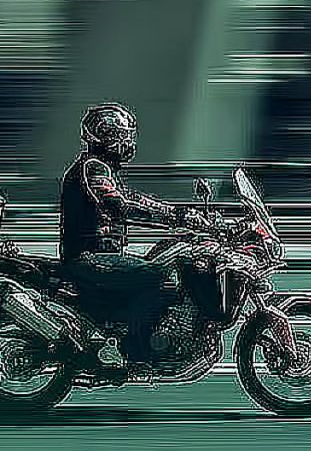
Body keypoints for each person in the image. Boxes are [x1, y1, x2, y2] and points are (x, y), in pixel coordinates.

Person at [59, 102, 210, 365]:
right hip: (89, 257)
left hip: (100, 256)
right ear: (104, 138)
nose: (127, 143)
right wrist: (175, 218)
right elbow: (121, 206)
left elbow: (137, 199)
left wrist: (180, 214)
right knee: (163, 278)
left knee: (163, 264)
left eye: (127, 136)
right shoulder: (92, 168)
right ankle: (134, 349)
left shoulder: (103, 169)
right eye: (121, 136)